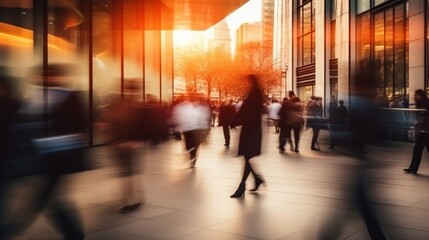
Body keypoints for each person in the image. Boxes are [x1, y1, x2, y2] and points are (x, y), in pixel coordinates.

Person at [4, 64, 87, 239]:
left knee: (44, 200)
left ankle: (10, 230)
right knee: (51, 201)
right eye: (42, 76)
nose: (43, 79)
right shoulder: (36, 97)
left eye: (47, 75)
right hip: (42, 159)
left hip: (60, 158)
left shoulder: (71, 97)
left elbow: (79, 130)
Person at [229, 74, 265, 198]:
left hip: (251, 132)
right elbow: (245, 112)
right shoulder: (253, 94)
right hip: (250, 131)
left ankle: (242, 186)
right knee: (247, 157)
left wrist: (235, 121)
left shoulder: (255, 96)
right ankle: (256, 179)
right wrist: (232, 120)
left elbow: (251, 116)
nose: (245, 85)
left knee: (247, 157)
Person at [171, 93, 211, 168]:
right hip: (188, 129)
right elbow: (179, 116)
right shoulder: (184, 106)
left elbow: (206, 118)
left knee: (195, 145)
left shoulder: (202, 106)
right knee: (188, 145)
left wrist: (206, 131)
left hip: (198, 129)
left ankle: (193, 157)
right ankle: (192, 155)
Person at [403, 89, 429, 174]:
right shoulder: (419, 105)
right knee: (417, 149)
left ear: (421, 96)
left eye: (417, 95)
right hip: (423, 131)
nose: (415, 96)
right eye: (415, 95)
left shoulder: (427, 104)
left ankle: (413, 168)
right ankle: (413, 168)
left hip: (427, 130)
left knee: (418, 149)